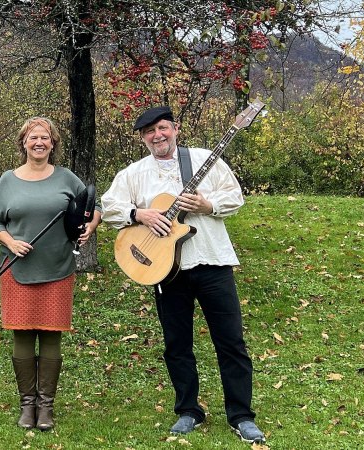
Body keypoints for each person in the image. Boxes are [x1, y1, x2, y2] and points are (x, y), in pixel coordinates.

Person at [101, 106, 265, 444]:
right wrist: (139, 214)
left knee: (231, 341)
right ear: (143, 138)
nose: (157, 135)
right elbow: (110, 206)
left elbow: (235, 196)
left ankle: (241, 414)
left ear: (175, 128)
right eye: (149, 132)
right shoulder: (134, 173)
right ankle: (188, 410)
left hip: (212, 262)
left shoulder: (205, 159)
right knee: (177, 344)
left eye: (162, 128)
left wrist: (208, 205)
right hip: (164, 269)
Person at [0, 117, 102, 431]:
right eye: (33, 137)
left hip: (58, 267)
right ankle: (27, 405)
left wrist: (89, 228)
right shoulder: (7, 180)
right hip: (18, 269)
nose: (39, 143)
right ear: (24, 142)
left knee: (51, 335)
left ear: (53, 144)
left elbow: (94, 208)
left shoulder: (67, 178)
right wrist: (11, 242)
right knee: (22, 334)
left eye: (45, 138)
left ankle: (46, 406)